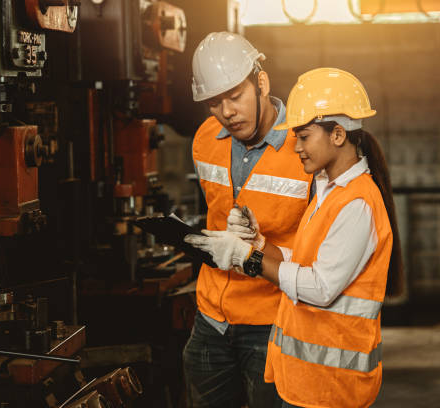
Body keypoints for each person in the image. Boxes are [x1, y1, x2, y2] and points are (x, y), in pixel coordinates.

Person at [185, 67, 403, 408]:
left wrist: (248, 260)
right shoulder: (330, 192)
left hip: (334, 384)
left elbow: (319, 287)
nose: (296, 147)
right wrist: (258, 244)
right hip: (310, 377)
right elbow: (302, 260)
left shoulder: (357, 203)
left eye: (303, 137)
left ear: (337, 135)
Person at [183, 32, 313, 408]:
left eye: (235, 96)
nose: (226, 111)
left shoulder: (303, 149)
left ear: (261, 83)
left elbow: (314, 254)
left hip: (272, 321)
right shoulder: (205, 138)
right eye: (214, 102)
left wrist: (256, 248)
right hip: (211, 318)